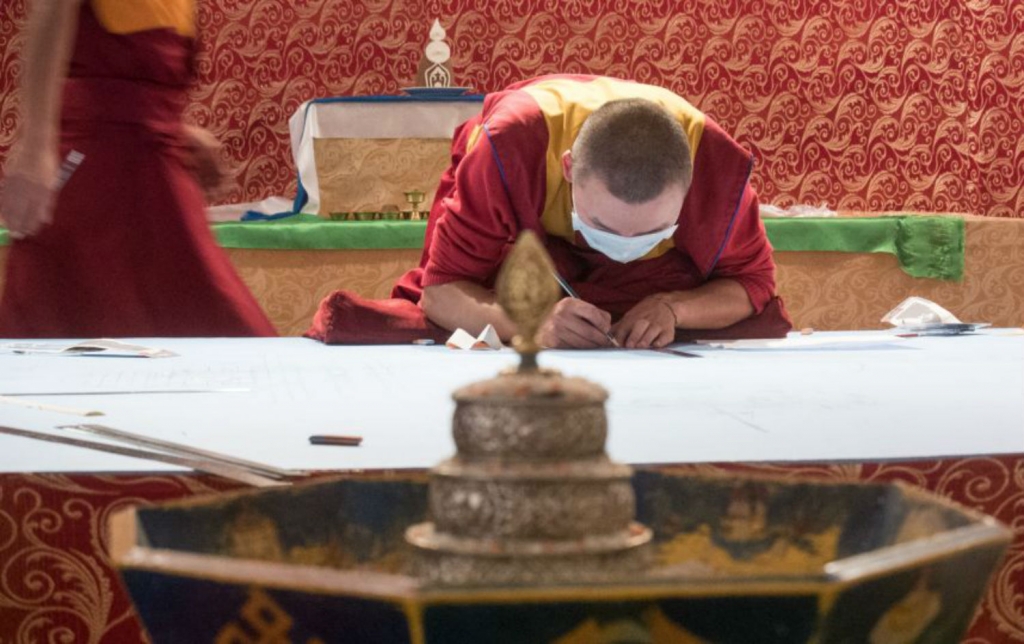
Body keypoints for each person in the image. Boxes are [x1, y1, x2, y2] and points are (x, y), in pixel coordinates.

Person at [387, 74, 790, 349]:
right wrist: (533, 322)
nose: (623, 250)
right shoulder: (511, 148)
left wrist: (674, 307)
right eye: (601, 225)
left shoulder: (714, 165)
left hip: (650, 285)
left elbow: (753, 282)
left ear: (690, 188)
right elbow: (440, 293)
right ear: (568, 168)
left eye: (652, 233)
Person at [0, 0, 276, 338]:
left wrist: (175, 129)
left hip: (156, 168)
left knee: (214, 327)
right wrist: (35, 145)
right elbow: (51, 8)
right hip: (91, 169)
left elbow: (137, 81)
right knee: (64, 328)